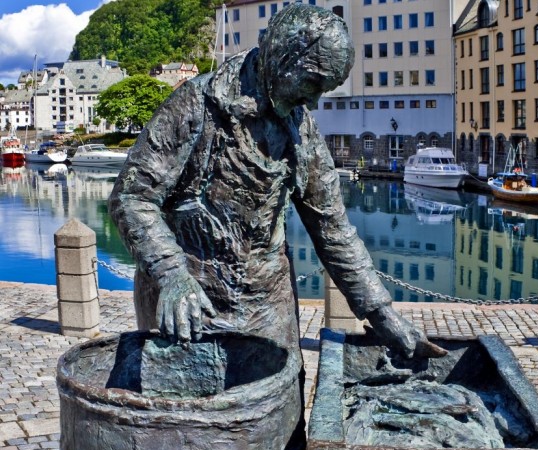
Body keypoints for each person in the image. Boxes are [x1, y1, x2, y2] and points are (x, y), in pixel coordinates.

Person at [109, 4, 445, 360]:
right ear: (283, 54)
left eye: (325, 89)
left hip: (267, 304)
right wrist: (172, 275)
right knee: (191, 411)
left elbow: (332, 228)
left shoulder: (302, 128)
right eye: (312, 82)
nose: (313, 100)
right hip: (191, 300)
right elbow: (132, 198)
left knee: (278, 404)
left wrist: (382, 313)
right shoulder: (197, 104)